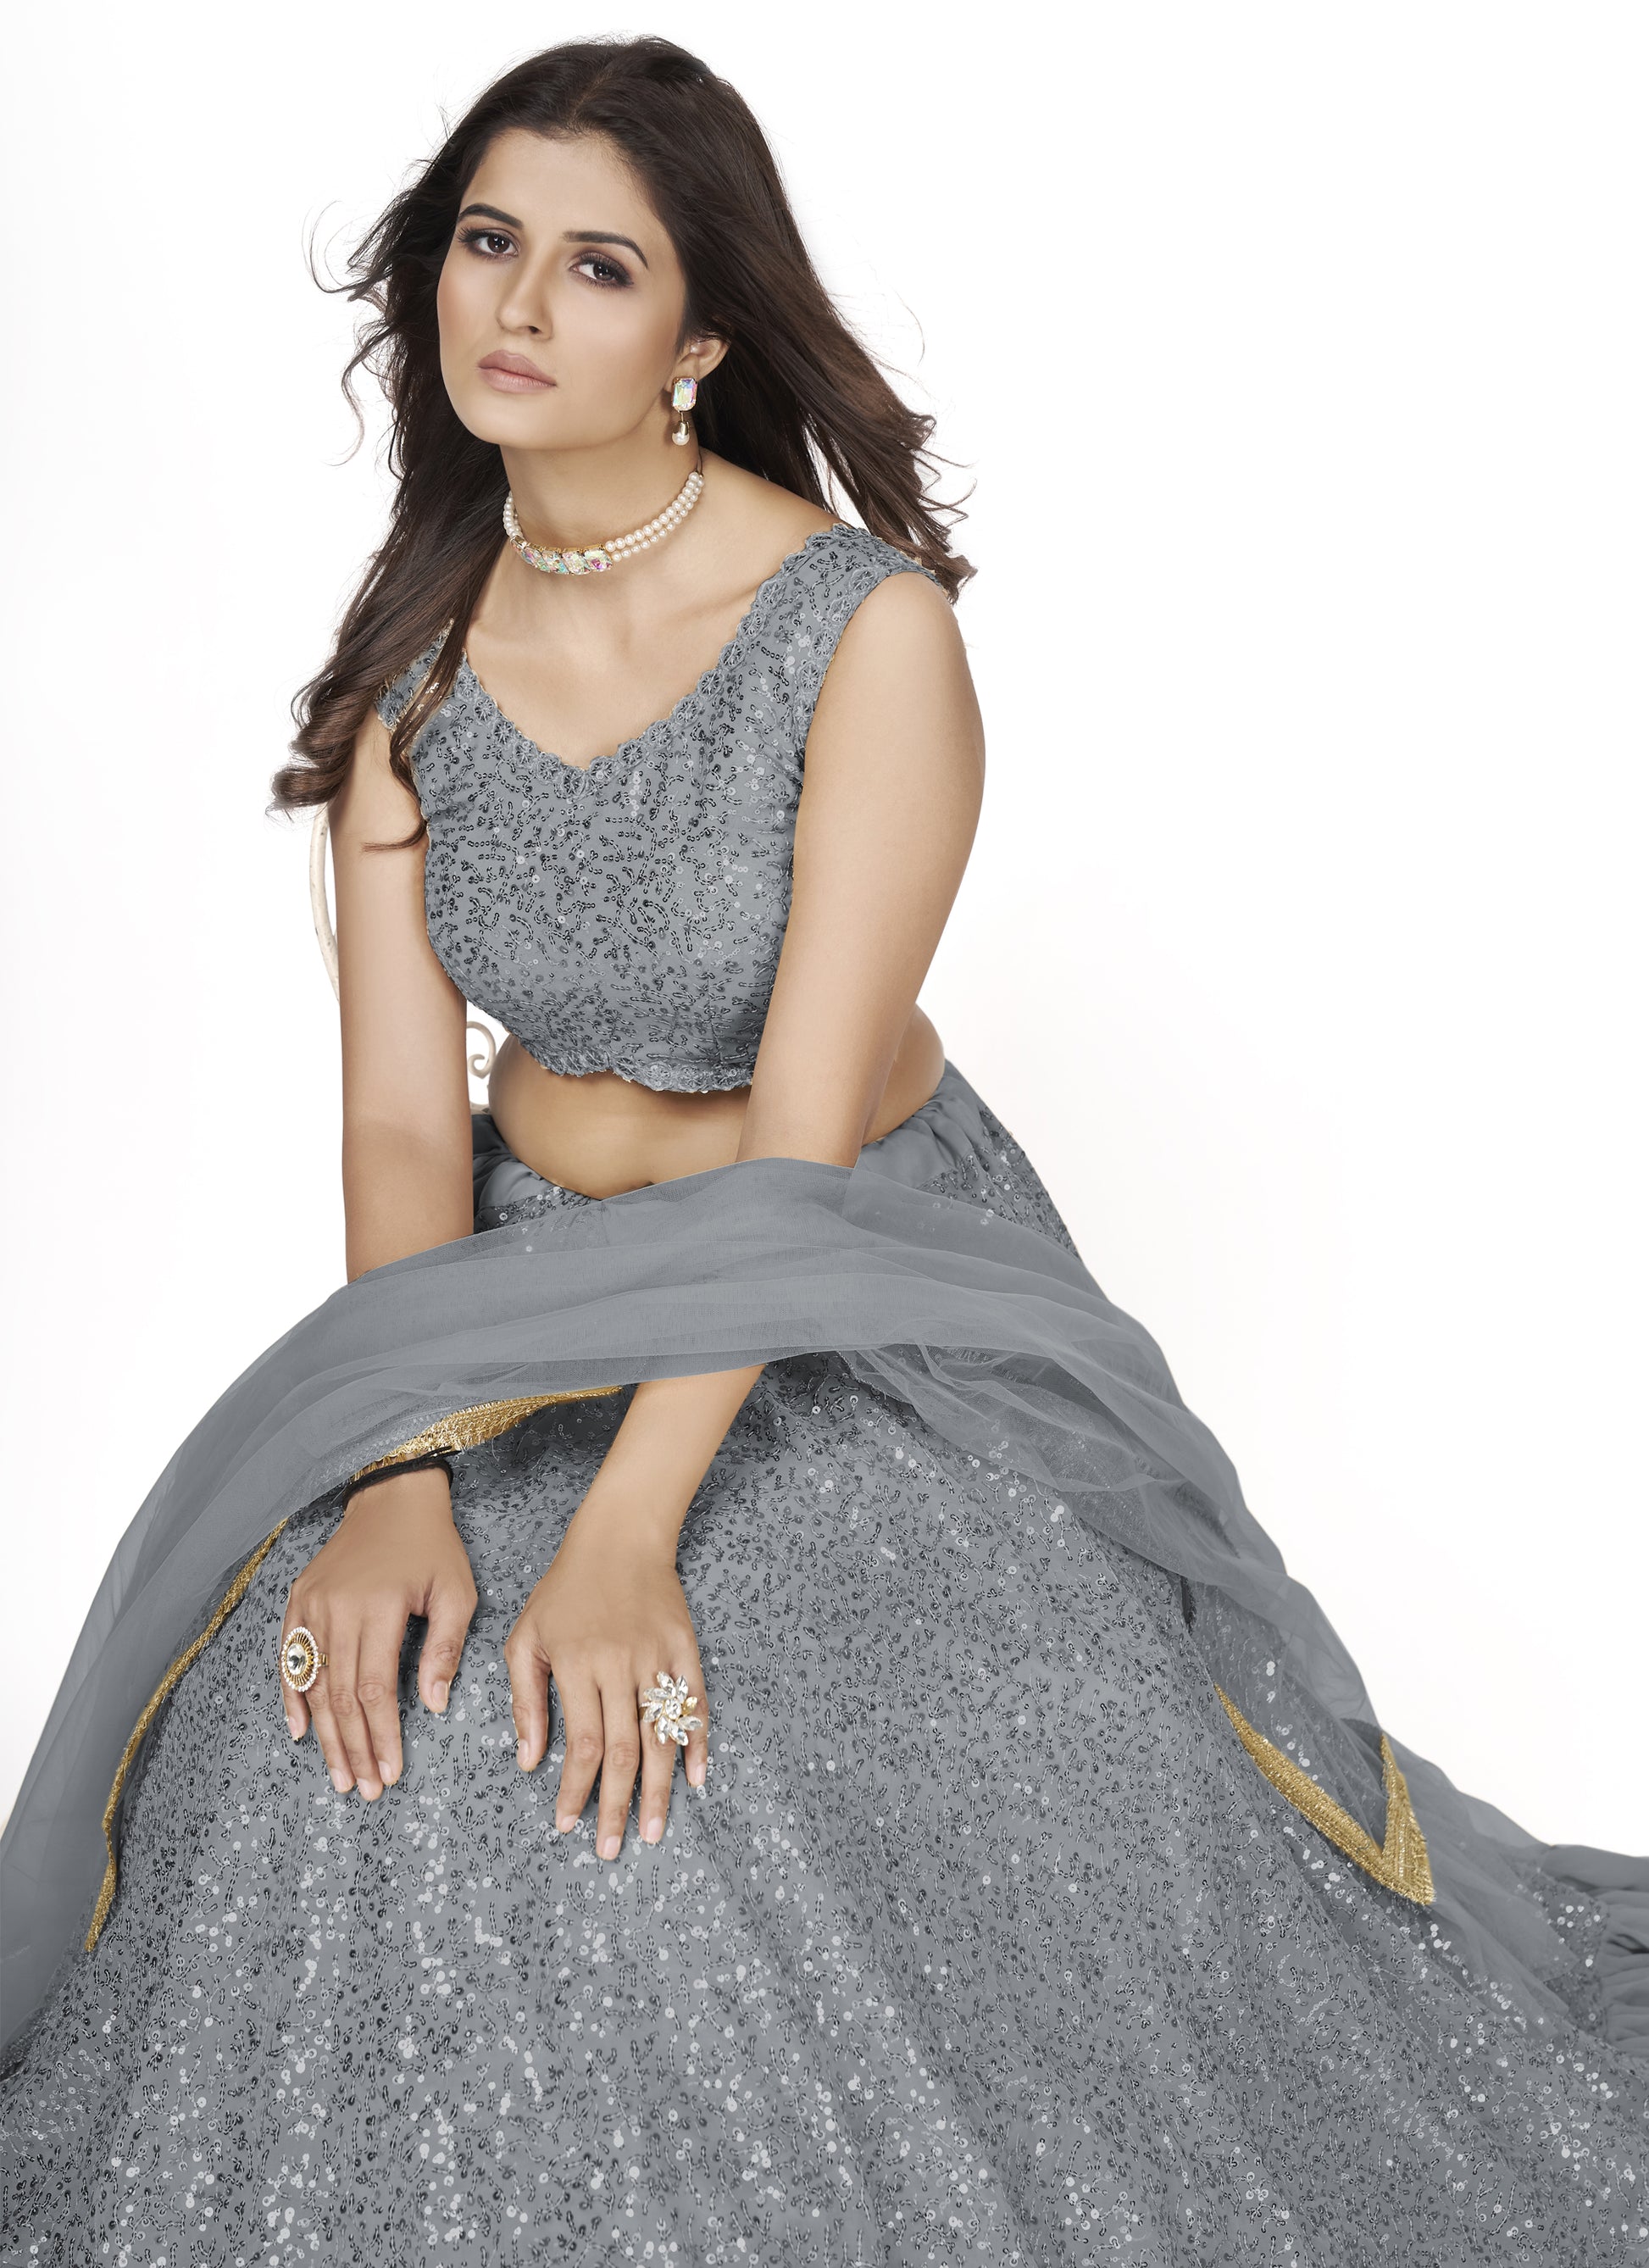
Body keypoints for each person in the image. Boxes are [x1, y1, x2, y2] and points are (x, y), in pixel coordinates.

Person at [2, 34, 1645, 2264]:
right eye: (488, 242)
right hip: (506, 1293)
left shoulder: (860, 637)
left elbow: (797, 1134)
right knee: (339, 1715)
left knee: (733, 1750)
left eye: (598, 268)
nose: (518, 304)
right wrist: (397, 1470)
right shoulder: (413, 668)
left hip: (845, 1287)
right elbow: (399, 1111)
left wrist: (630, 1525)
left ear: (700, 337)